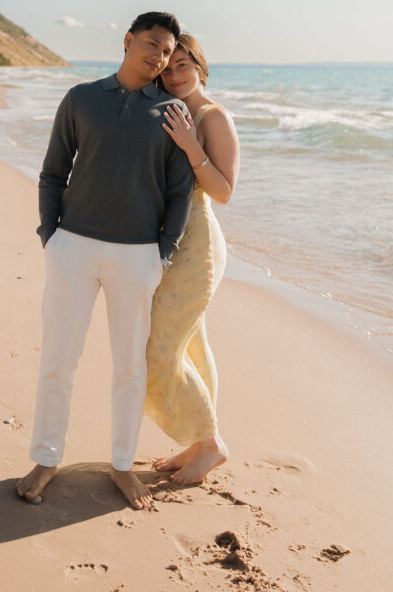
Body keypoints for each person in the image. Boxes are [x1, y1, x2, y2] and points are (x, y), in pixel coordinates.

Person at [16, 12, 194, 510]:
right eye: (153, 45)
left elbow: (180, 192)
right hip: (72, 247)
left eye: (166, 51)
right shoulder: (80, 99)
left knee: (128, 368)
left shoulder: (172, 110)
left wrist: (163, 253)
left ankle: (121, 465)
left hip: (138, 256)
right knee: (58, 359)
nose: (159, 57)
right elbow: (53, 172)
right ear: (128, 40)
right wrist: (51, 235)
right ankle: (46, 457)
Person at [144, 33, 240, 484]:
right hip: (171, 242)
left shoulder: (212, 117)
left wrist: (190, 145)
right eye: (167, 67)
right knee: (190, 346)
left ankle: (212, 443)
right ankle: (199, 442)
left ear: (200, 66)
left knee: (161, 348)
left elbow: (223, 192)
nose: (175, 75)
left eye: (184, 65)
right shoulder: (171, 111)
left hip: (198, 247)